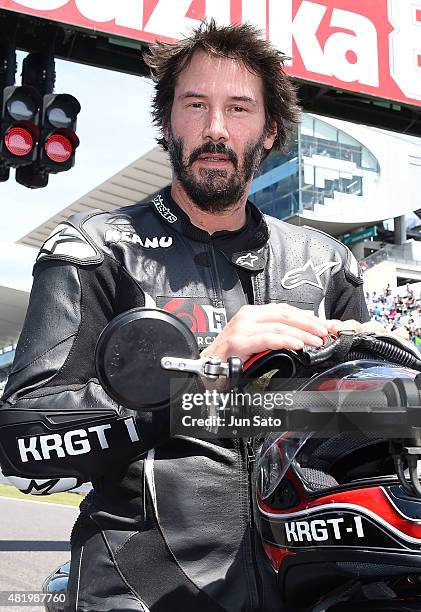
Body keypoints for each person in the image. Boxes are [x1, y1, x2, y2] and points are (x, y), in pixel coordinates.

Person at [0, 20, 370, 612]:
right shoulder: (97, 248)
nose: (216, 129)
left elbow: (364, 438)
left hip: (311, 591)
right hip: (137, 595)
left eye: (239, 108)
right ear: (167, 121)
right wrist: (197, 375)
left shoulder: (329, 264)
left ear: (271, 130)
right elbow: (22, 445)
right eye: (195, 105)